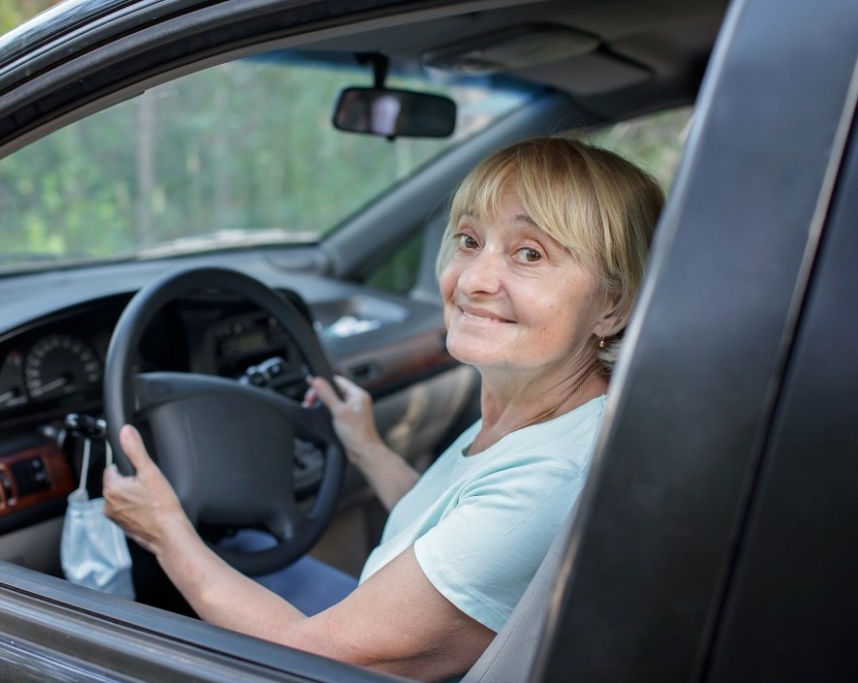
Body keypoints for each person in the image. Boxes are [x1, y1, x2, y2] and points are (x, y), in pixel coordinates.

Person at [102, 136, 664, 682]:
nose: (473, 280)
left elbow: (311, 661)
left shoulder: (548, 479)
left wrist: (164, 531)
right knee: (249, 548)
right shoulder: (547, 413)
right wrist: (367, 446)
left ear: (612, 306)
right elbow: (455, 528)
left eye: (528, 254)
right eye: (469, 240)